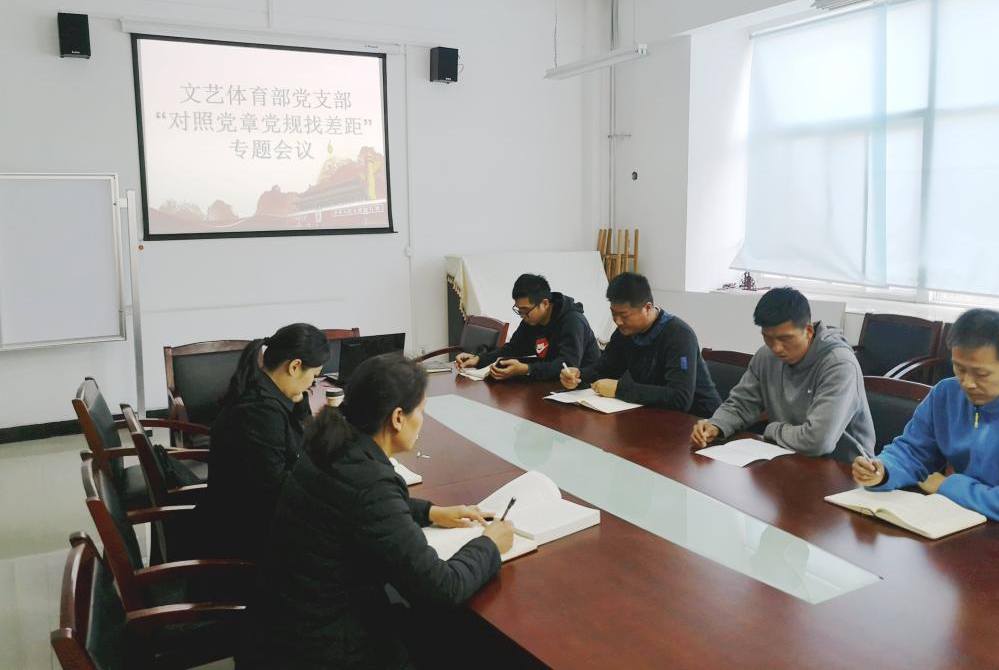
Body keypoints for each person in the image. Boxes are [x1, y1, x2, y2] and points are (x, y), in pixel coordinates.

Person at [246, 353, 514, 669]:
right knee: (464, 643)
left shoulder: (328, 445)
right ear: (398, 417)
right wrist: (489, 544)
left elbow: (350, 505)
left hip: (281, 623)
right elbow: (442, 588)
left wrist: (430, 512)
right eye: (421, 411)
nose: (423, 421)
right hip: (326, 646)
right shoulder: (370, 482)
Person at [852, 309, 999, 526]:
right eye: (959, 369)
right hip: (959, 518)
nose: (967, 383)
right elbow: (913, 451)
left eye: (981, 374)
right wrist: (883, 470)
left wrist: (948, 487)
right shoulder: (946, 393)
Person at [691, 287, 874, 462]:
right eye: (768, 338)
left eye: (785, 338)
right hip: (787, 456)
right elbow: (742, 404)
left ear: (808, 331)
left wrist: (772, 430)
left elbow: (818, 441)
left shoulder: (839, 365)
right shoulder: (766, 356)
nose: (776, 348)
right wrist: (716, 425)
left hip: (846, 469)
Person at [200, 323, 330, 559]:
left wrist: (300, 402)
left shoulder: (262, 388)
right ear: (294, 366)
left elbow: (305, 443)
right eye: (313, 376)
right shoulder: (260, 412)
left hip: (253, 517)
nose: (311, 383)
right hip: (244, 539)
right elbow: (276, 489)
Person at [559, 272, 721, 415]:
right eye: (613, 313)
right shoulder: (624, 332)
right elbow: (605, 369)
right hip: (652, 415)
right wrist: (579, 376)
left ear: (647, 308)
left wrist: (619, 389)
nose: (617, 321)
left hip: (698, 422)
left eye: (624, 315)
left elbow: (680, 398)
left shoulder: (679, 336)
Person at [455, 273, 600, 382]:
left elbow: (567, 365)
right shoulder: (531, 320)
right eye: (519, 310)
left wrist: (527, 369)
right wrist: (478, 359)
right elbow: (513, 348)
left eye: (525, 310)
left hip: (582, 388)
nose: (522, 316)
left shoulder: (573, 321)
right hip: (548, 383)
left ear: (545, 304)